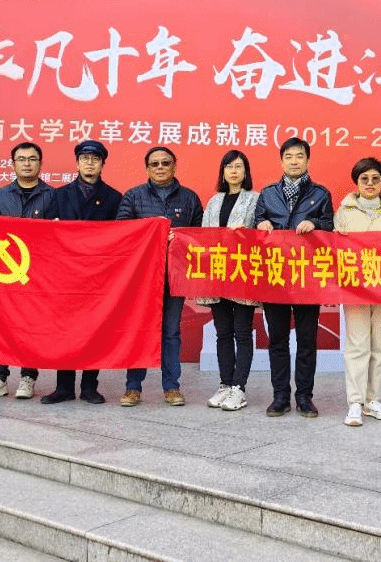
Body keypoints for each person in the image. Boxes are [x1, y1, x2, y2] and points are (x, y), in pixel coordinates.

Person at [117, 146, 203, 407]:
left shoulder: (189, 198)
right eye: (155, 164)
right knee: (139, 329)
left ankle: (172, 387)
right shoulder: (133, 196)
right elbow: (121, 232)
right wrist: (150, 230)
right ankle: (133, 388)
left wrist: (180, 237)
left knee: (171, 331)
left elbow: (200, 235)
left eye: (166, 163)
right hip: (141, 278)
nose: (160, 167)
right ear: (147, 168)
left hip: (174, 276)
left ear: (174, 166)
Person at [255, 136, 334, 418]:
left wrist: (315, 223)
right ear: (281, 161)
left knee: (306, 339)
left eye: (299, 156)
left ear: (307, 160)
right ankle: (280, 396)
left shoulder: (321, 194)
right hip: (275, 275)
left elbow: (331, 225)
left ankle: (304, 397)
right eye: (288, 156)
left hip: (307, 277)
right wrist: (261, 223)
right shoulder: (267, 194)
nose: (294, 161)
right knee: (277, 339)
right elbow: (256, 224)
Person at [0, 141, 58, 401]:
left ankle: (28, 376)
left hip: (38, 273)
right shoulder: (0, 196)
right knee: (1, 322)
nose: (27, 164)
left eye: (32, 159)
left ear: (40, 164)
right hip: (4, 274)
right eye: (21, 159)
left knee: (31, 324)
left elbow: (59, 236)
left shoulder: (53, 196)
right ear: (13, 164)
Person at [334, 157, 381, 427]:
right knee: (357, 345)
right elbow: (333, 249)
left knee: (380, 345)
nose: (370, 183)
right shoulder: (344, 212)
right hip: (355, 288)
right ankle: (355, 402)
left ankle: (373, 400)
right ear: (356, 182)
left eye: (375, 179)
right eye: (364, 179)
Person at [42, 140, 122, 404]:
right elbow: (45, 234)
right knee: (64, 330)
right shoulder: (58, 195)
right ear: (76, 163)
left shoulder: (114, 197)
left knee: (94, 329)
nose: (90, 163)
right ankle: (64, 386)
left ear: (102, 164)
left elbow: (122, 236)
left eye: (95, 159)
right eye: (85, 158)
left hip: (98, 276)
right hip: (65, 275)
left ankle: (89, 387)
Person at [200, 150, 260, 413]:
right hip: (216, 273)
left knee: (242, 331)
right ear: (222, 172)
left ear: (246, 172)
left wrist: (246, 234)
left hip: (242, 274)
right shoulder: (214, 201)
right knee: (222, 332)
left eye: (238, 167)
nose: (233, 171)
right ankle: (225, 384)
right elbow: (202, 236)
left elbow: (263, 232)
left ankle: (239, 388)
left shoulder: (255, 199)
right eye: (229, 167)